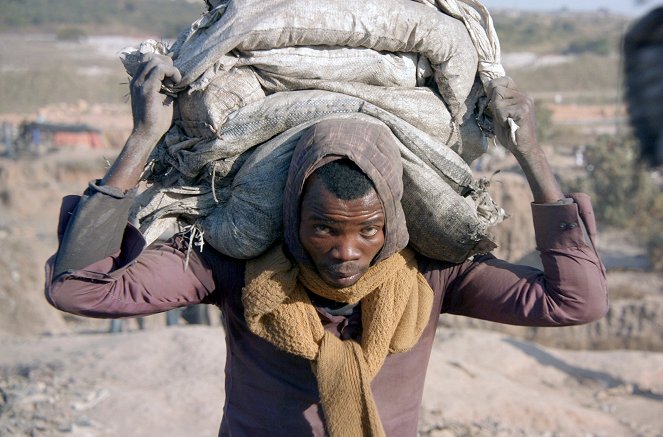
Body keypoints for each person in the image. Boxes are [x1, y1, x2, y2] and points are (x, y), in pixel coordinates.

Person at [45, 54, 608, 437]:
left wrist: (530, 155)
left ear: (395, 221)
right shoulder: (236, 266)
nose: (345, 251)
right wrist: (144, 136)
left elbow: (575, 302)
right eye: (323, 228)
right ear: (292, 213)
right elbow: (79, 290)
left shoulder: (432, 275)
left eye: (368, 230)